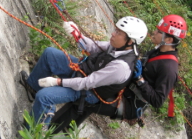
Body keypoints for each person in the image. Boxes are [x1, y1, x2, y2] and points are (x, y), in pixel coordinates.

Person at [20, 16, 148, 126]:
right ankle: (33, 88)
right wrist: (76, 34)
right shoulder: (117, 47)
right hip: (84, 71)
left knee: (45, 97)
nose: (113, 34)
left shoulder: (121, 67)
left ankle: (30, 136)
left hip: (89, 91)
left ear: (130, 41)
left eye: (119, 33)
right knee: (50, 54)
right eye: (116, 30)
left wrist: (58, 82)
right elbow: (92, 46)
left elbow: (87, 83)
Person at [134, 14, 187, 110]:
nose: (154, 32)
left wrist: (140, 80)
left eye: (159, 32)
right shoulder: (158, 51)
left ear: (169, 39)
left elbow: (157, 101)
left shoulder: (168, 68)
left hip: (132, 101)